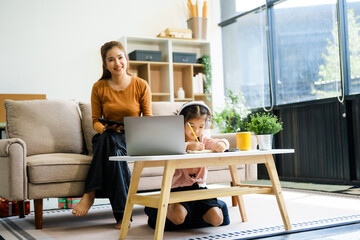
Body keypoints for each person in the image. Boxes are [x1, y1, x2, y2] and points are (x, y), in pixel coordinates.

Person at [72, 41, 152, 229]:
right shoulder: (99, 87)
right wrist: (106, 129)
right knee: (110, 142)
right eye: (111, 59)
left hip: (132, 138)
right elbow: (95, 121)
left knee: (113, 146)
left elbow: (148, 119)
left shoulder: (141, 85)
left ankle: (90, 193)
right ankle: (123, 215)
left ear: (126, 59)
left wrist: (130, 129)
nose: (117, 63)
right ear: (105, 64)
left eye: (120, 57)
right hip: (106, 136)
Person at [145, 101, 230, 230]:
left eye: (201, 127)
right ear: (181, 123)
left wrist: (223, 144)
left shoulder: (203, 139)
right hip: (178, 190)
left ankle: (195, 212)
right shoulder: (174, 140)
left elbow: (220, 142)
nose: (196, 131)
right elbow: (165, 147)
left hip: (200, 190)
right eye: (191, 126)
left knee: (217, 219)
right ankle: (154, 208)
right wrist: (187, 146)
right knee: (178, 218)